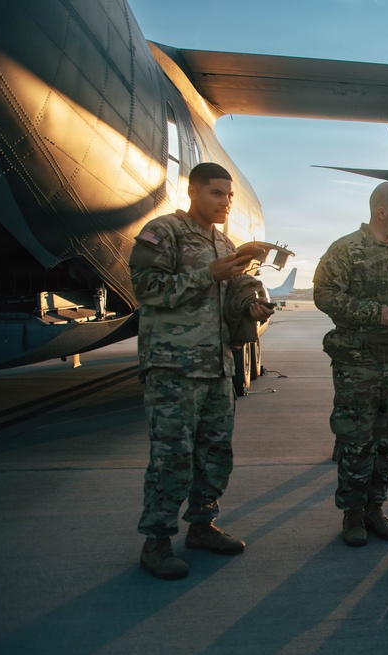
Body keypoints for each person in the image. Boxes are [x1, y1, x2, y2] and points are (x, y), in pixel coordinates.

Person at [130, 162, 273, 580]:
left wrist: (249, 304)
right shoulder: (165, 232)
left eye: (229, 195)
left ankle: (202, 526)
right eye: (216, 193)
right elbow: (147, 288)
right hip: (173, 368)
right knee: (171, 458)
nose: (226, 201)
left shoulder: (224, 242)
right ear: (192, 192)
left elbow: (226, 301)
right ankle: (156, 542)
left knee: (214, 455)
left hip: (216, 368)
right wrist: (207, 273)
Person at [313, 182, 388, 548]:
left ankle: (376, 508)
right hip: (358, 364)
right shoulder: (346, 250)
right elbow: (324, 294)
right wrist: (374, 313)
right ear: (382, 211)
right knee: (356, 441)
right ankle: (352, 514)